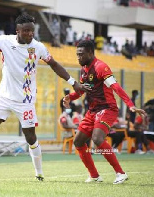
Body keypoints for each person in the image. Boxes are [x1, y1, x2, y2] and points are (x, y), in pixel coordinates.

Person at [0, 13, 82, 182]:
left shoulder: (38, 47)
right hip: (3, 96)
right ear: (17, 31)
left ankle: (39, 173)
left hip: (25, 100)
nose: (30, 34)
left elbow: (54, 65)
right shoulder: (3, 41)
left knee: (30, 137)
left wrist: (73, 82)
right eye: (26, 31)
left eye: (32, 30)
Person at [63, 39, 146, 184]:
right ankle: (95, 176)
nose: (78, 58)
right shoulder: (84, 70)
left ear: (90, 52)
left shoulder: (101, 67)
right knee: (78, 141)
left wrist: (130, 104)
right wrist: (70, 97)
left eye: (81, 54)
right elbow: (82, 90)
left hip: (107, 109)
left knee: (97, 139)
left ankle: (120, 173)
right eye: (77, 55)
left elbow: (116, 87)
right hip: (93, 110)